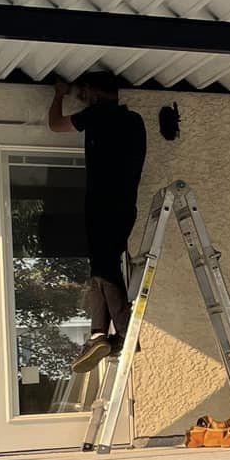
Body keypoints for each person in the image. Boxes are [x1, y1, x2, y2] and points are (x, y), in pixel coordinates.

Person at [48, 71, 146, 374]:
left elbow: (55, 125)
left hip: (101, 206)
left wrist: (59, 95)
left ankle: (125, 331)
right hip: (125, 207)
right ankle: (99, 335)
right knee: (103, 266)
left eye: (84, 93)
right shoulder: (134, 121)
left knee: (104, 267)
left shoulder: (98, 115)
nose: (81, 97)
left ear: (93, 92)